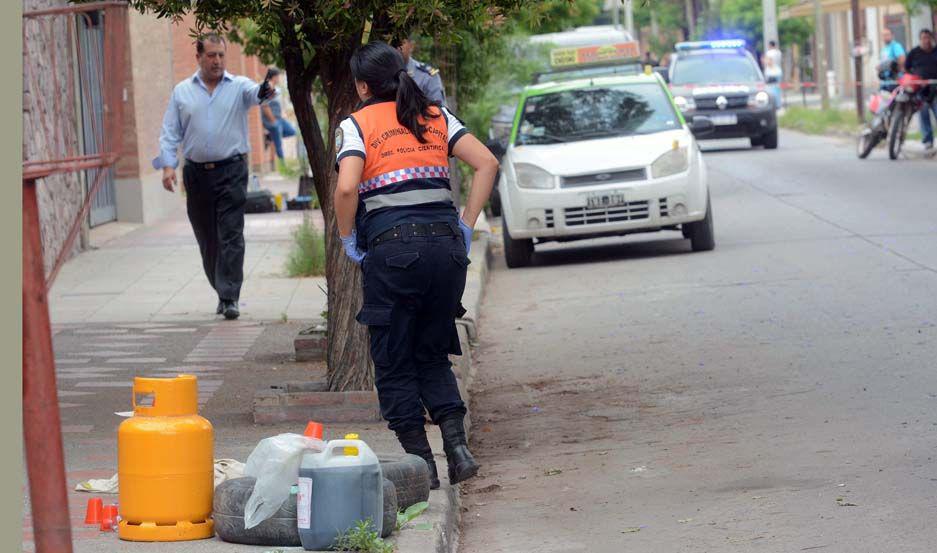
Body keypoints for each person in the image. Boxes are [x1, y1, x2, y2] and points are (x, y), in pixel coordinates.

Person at [334, 42, 498, 488]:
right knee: (431, 354)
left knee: (393, 362)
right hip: (446, 252)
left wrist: (349, 238)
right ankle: (458, 450)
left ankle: (422, 466)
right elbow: (486, 163)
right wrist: (465, 226)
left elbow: (348, 188)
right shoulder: (436, 115)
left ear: (362, 85)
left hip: (393, 253)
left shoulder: (356, 125)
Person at [154, 33, 275, 320]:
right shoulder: (182, 92)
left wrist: (267, 89)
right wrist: (168, 166)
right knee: (207, 238)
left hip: (232, 170)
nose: (217, 61)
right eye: (211, 55)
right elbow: (170, 132)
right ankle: (222, 289)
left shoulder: (238, 87)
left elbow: (259, 95)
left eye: (221, 55)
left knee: (231, 234)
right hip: (196, 174)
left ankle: (230, 296)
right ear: (199, 57)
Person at [905, 29, 937, 149]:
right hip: (920, 91)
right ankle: (928, 141)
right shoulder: (914, 52)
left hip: (935, 89)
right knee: (923, 113)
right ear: (920, 39)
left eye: (928, 38)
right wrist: (915, 78)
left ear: (932, 39)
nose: (926, 40)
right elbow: (907, 68)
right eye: (924, 38)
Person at [396, 36, 447, 106]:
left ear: (411, 46)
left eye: (401, 43)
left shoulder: (427, 77)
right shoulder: (382, 73)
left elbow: (439, 111)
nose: (397, 47)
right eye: (393, 43)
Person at [261, 68, 297, 162]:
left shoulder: (276, 89)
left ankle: (270, 136)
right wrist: (273, 121)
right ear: (274, 77)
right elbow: (264, 105)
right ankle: (282, 163)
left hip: (279, 118)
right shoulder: (267, 87)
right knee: (278, 143)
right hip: (271, 120)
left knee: (292, 131)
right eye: (278, 76)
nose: (279, 78)